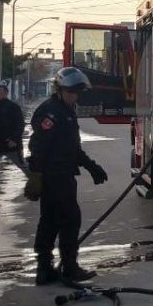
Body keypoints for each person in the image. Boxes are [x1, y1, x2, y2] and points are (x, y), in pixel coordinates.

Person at [24, 67, 109, 285]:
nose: (74, 96)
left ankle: (45, 269)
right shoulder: (51, 112)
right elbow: (39, 146)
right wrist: (36, 176)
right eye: (70, 92)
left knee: (51, 221)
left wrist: (92, 166)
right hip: (55, 176)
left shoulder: (66, 110)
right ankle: (67, 267)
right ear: (59, 90)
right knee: (69, 220)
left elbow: (72, 148)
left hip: (63, 174)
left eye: (76, 92)